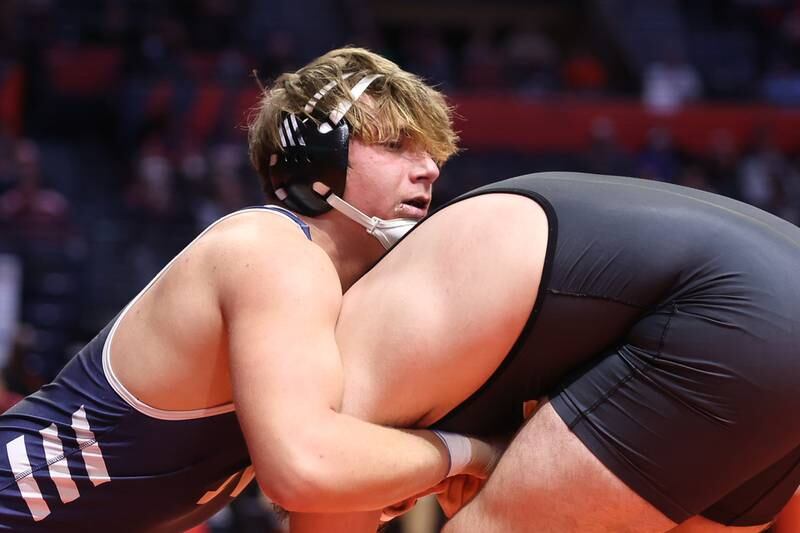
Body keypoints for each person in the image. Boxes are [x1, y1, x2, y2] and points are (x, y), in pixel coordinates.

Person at [0, 47, 500, 531]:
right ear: (316, 156)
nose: (429, 169)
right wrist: (472, 453)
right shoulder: (271, 252)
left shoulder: (332, 294)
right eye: (394, 146)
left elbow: (314, 488)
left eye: (430, 153)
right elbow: (304, 469)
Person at [291, 172, 800, 532]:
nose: (397, 508)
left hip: (733, 313)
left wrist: (470, 458)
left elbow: (316, 481)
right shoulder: (434, 326)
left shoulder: (354, 348)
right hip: (760, 296)